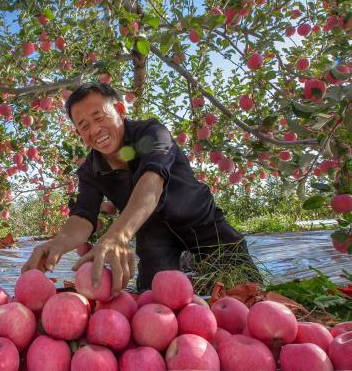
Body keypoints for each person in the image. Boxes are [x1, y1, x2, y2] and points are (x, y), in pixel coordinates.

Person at [21, 82, 262, 297]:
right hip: (154, 238)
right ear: (79, 134)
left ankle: (192, 259)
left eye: (99, 117)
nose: (95, 130)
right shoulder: (90, 170)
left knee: (248, 290)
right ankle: (186, 263)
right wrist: (56, 244)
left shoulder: (152, 133)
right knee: (150, 299)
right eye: (84, 126)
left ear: (120, 111)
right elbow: (83, 216)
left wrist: (118, 235)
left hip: (203, 223)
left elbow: (151, 183)